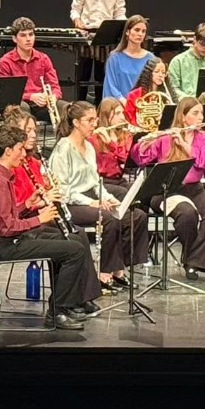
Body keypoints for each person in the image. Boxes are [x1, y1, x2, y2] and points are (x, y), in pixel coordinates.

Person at [0, 117, 101, 330]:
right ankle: (58, 311)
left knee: (70, 240)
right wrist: (39, 219)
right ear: (8, 150)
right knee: (75, 251)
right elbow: (5, 228)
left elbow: (6, 215)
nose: (24, 154)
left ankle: (66, 304)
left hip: (12, 239)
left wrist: (27, 205)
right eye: (20, 149)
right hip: (8, 245)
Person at [47, 101, 150, 290]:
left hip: (87, 196)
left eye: (95, 119)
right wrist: (92, 202)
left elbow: (95, 182)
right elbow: (63, 190)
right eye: (90, 120)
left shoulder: (89, 146)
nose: (95, 124)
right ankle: (104, 273)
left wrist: (108, 198)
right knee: (109, 219)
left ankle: (120, 266)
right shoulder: (63, 148)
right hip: (69, 203)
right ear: (77, 123)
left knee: (135, 216)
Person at [130, 97, 205, 280]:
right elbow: (140, 159)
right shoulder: (166, 138)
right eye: (195, 113)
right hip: (166, 191)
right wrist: (145, 141)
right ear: (184, 118)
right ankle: (191, 260)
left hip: (195, 189)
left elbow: (204, 162)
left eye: (201, 113)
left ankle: (194, 261)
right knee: (187, 214)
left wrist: (184, 145)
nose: (200, 117)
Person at [70, 0, 127, 100]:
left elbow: (120, 13)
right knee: (83, 76)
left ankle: (100, 108)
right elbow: (75, 9)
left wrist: (122, 24)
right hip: (86, 34)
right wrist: (77, 21)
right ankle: (79, 106)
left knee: (102, 78)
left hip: (106, 36)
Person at [0, 17, 67, 120]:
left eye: (31, 34)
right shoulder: (6, 61)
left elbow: (55, 86)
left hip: (41, 104)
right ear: (14, 39)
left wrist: (53, 97)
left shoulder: (43, 58)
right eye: (23, 35)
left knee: (67, 109)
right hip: (20, 102)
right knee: (22, 109)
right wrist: (31, 96)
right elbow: (7, 94)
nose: (28, 39)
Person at [102, 15, 156, 103]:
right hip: (120, 107)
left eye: (143, 31)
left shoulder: (151, 58)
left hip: (142, 107)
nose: (140, 34)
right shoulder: (114, 58)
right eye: (137, 30)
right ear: (127, 32)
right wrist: (126, 103)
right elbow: (110, 86)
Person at [166, 23, 205, 100]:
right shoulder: (178, 61)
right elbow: (173, 88)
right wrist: (190, 101)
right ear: (195, 39)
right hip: (184, 106)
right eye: (202, 45)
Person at [92, 98, 135, 197]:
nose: (122, 117)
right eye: (117, 113)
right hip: (101, 181)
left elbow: (126, 160)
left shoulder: (125, 136)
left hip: (119, 179)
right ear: (106, 116)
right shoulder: (94, 138)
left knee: (138, 193)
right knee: (124, 193)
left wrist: (110, 143)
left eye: (122, 113)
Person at [123, 59, 172, 130]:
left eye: (163, 72)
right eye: (157, 72)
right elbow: (130, 119)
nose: (160, 75)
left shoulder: (166, 96)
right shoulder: (134, 95)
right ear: (149, 73)